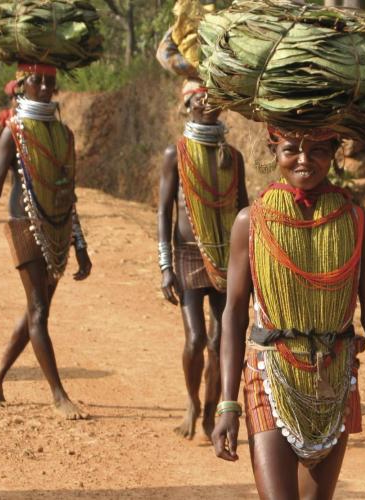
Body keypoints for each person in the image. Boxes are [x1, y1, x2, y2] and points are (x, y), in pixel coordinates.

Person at [212, 127, 365, 499]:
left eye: (319, 150)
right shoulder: (252, 221)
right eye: (292, 149)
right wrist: (228, 403)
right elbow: (233, 313)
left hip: (335, 373)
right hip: (270, 371)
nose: (305, 160)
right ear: (274, 151)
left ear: (335, 153)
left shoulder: (354, 220)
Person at [0, 63, 92, 420]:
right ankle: (58, 394)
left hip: (57, 225)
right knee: (38, 310)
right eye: (37, 80)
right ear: (22, 84)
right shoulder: (14, 131)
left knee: (37, 309)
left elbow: (68, 193)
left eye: (50, 82)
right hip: (25, 223)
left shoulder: (64, 135)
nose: (44, 87)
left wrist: (79, 243)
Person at [158, 78, 248, 440]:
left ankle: (212, 412)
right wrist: (165, 265)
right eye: (201, 99)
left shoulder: (233, 157)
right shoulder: (175, 155)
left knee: (221, 340)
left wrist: (252, 264)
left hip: (228, 257)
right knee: (196, 339)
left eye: (214, 99)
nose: (208, 105)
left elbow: (242, 210)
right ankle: (192, 402)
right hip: (188, 255)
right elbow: (164, 211)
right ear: (188, 105)